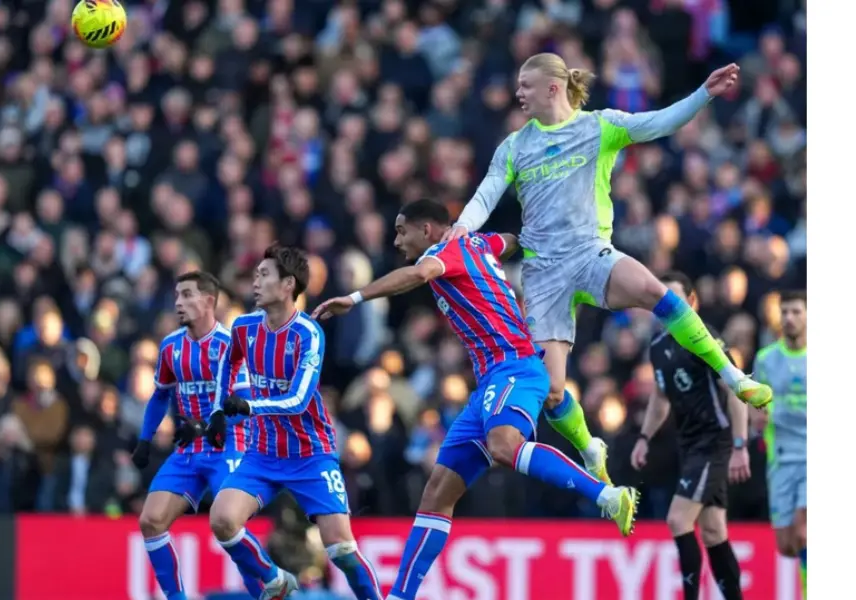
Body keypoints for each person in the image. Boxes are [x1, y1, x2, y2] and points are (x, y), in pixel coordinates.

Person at [444, 52, 773, 484]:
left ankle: (732, 376)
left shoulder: (598, 126)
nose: (518, 92)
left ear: (552, 87)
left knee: (656, 290)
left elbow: (660, 122)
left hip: (590, 253)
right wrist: (461, 227)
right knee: (553, 390)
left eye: (525, 84)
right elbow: (486, 195)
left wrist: (703, 95)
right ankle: (589, 447)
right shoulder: (514, 146)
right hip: (544, 275)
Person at [312, 200, 638, 600]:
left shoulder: (439, 254)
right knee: (437, 493)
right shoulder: (478, 244)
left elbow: (418, 274)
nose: (396, 240)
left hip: (514, 367)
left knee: (505, 445)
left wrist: (356, 297)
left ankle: (606, 496)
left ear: (428, 229)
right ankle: (400, 596)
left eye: (402, 231)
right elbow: (510, 241)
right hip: (490, 383)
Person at [206, 244, 383, 600]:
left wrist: (249, 406)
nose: (255, 282)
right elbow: (227, 367)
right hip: (262, 453)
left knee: (341, 551)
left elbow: (299, 400)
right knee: (222, 520)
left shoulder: (307, 333)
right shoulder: (243, 327)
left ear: (288, 285)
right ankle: (275, 580)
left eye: (264, 274)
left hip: (310, 454)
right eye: (255, 274)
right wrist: (216, 412)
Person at [130, 271, 264, 600]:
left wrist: (205, 426)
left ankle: (269, 586)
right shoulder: (170, 347)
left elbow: (243, 406)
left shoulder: (230, 347)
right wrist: (145, 439)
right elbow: (160, 395)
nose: (178, 302)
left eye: (187, 295)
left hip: (229, 446)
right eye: (176, 295)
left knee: (228, 523)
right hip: (189, 449)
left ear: (209, 301)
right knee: (150, 520)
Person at [631, 271, 748, 600]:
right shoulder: (657, 347)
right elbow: (660, 398)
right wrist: (644, 438)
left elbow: (734, 386)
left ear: (692, 302)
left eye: (676, 299)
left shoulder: (705, 338)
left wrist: (739, 445)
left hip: (715, 441)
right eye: (662, 300)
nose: (668, 307)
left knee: (677, 519)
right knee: (713, 531)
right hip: (689, 443)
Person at [752, 290, 807, 599]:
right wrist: (755, 419)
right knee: (788, 545)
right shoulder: (766, 359)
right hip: (781, 457)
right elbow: (753, 402)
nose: (789, 318)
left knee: (804, 531)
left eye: (796, 312)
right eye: (784, 312)